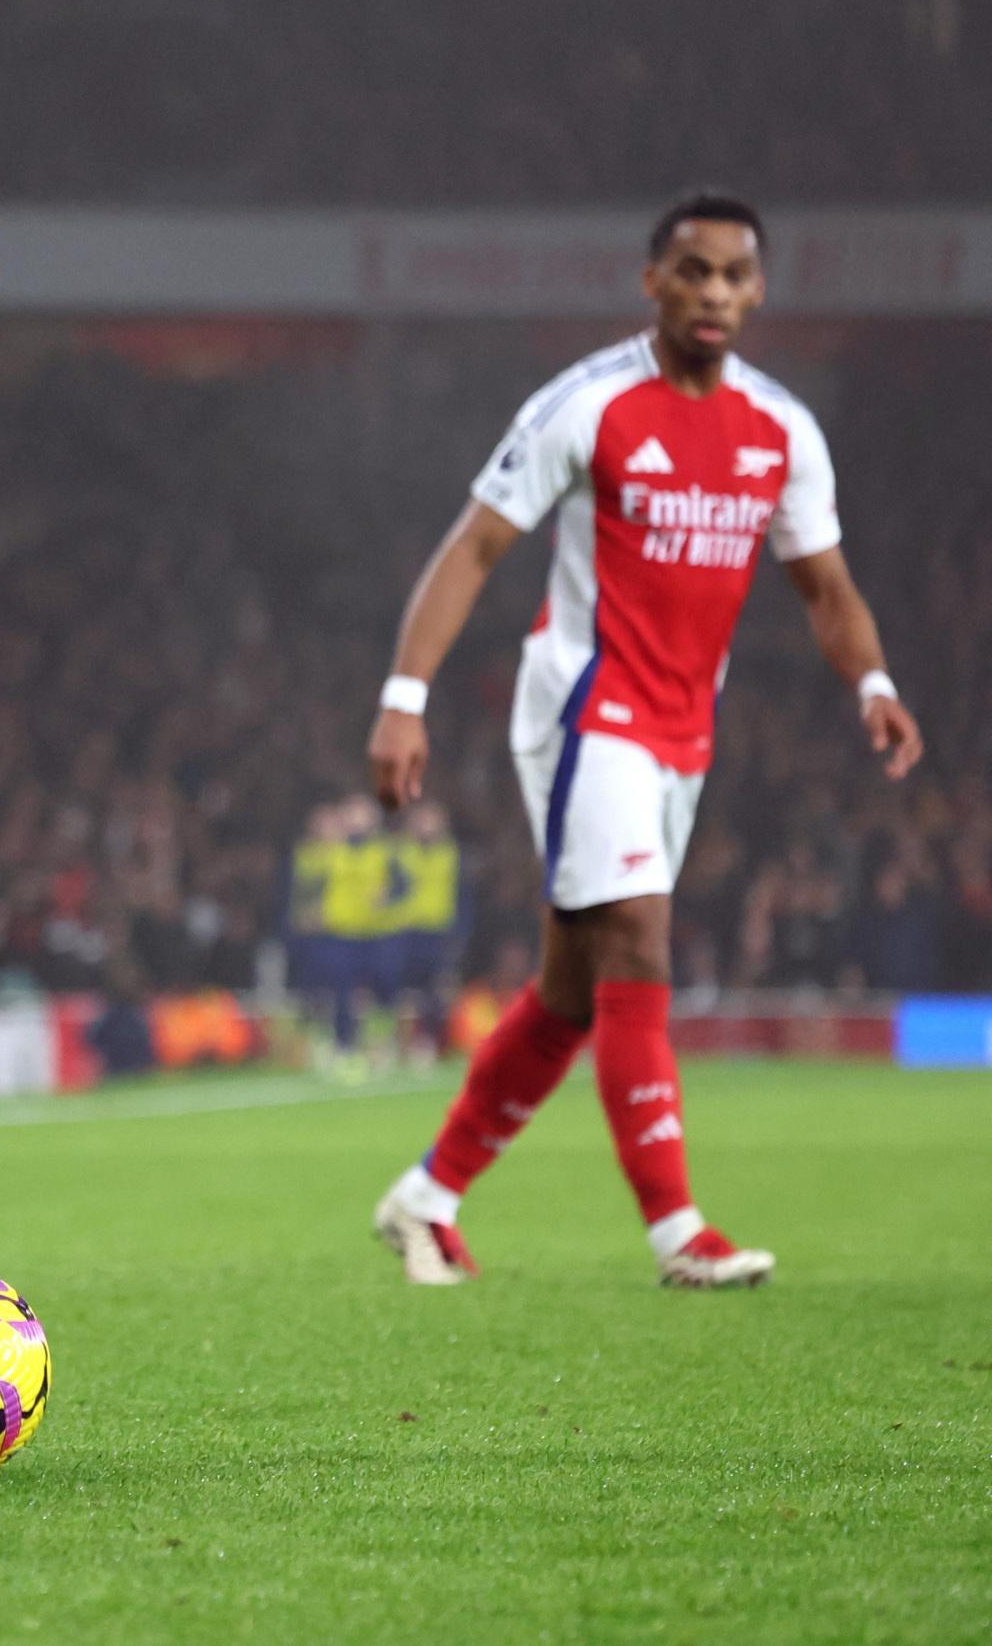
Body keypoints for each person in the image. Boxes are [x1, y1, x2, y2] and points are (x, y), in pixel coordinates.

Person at [365, 192, 923, 1290]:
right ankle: (679, 1230)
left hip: (683, 725)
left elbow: (824, 583)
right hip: (587, 708)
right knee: (640, 945)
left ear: (758, 291)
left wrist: (873, 679)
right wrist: (404, 694)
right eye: (693, 270)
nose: (714, 291)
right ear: (653, 281)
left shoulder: (780, 431)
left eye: (734, 274)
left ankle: (426, 1197)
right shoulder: (591, 403)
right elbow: (477, 545)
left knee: (574, 991)